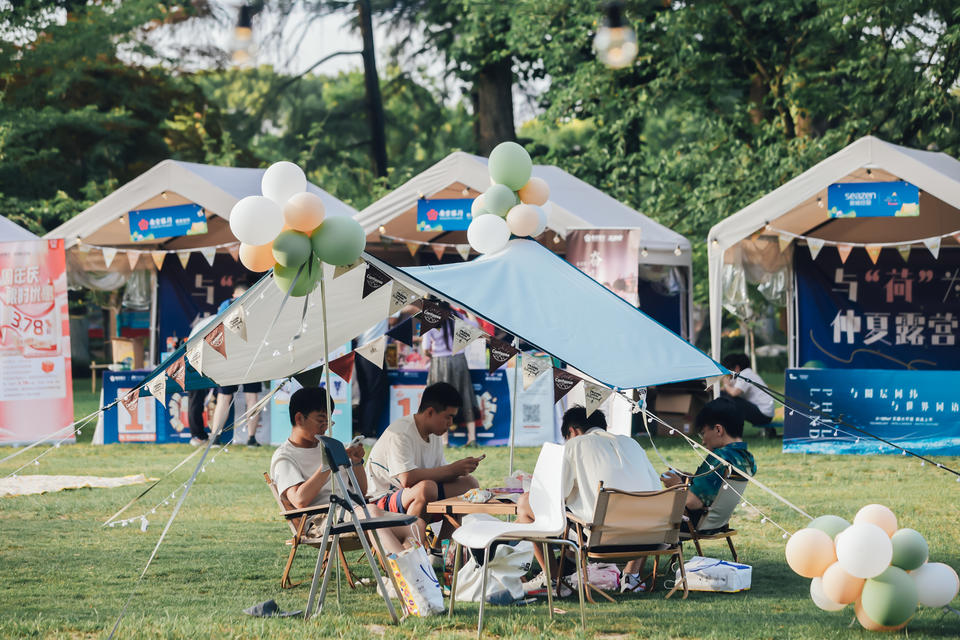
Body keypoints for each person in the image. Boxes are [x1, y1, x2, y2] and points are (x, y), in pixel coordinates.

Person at [517, 406, 661, 595]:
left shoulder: (575, 445)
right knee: (635, 507)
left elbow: (556, 494)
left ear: (572, 431)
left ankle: (551, 578)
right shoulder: (632, 444)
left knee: (526, 502)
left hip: (601, 539)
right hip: (647, 538)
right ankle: (631, 575)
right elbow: (656, 489)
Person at [269, 387, 409, 554]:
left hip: (353, 512)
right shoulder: (285, 456)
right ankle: (401, 576)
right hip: (320, 520)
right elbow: (300, 500)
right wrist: (328, 464)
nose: (325, 427)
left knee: (415, 525)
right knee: (371, 513)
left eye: (328, 422)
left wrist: (356, 463)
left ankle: (411, 573)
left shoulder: (332, 446)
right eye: (321, 421)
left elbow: (361, 490)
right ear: (299, 418)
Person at [365, 382, 481, 542]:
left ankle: (442, 551)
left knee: (469, 485)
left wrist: (460, 470)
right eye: (448, 417)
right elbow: (407, 479)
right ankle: (412, 548)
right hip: (381, 499)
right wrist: (453, 469)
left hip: (415, 493)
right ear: (430, 412)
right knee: (427, 488)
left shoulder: (434, 434)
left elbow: (439, 472)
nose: (450, 423)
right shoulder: (401, 433)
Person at [208, 284, 265, 446]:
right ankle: (251, 439)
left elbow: (216, 328)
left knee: (224, 398)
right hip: (251, 355)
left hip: (229, 357)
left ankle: (215, 437)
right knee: (252, 398)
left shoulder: (226, 304)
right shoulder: (256, 304)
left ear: (234, 293)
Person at [420, 301, 482, 446]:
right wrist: (469, 311)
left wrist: (431, 353)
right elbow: (476, 327)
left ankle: (444, 441)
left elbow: (425, 348)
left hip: (439, 363)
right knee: (465, 395)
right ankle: (472, 438)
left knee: (441, 401)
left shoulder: (430, 319)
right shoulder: (458, 316)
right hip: (459, 361)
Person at [720, 353, 775, 427]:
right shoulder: (741, 375)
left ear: (736, 368)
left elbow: (734, 393)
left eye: (728, 370)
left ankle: (729, 427)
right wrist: (714, 389)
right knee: (723, 395)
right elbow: (725, 390)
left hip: (764, 415)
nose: (727, 374)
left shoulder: (745, 374)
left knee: (729, 399)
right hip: (765, 413)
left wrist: (726, 384)